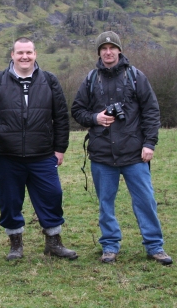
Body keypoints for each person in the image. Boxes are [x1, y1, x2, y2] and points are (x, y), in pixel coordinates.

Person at [71, 31, 172, 265]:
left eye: (112, 48)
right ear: (99, 52)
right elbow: (77, 110)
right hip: (102, 155)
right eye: (103, 48)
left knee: (145, 201)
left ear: (119, 50)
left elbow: (151, 111)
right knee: (106, 203)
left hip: (135, 153)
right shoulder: (90, 79)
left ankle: (155, 246)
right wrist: (95, 118)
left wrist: (149, 144)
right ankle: (109, 246)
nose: (108, 52)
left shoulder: (136, 76)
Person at [0, 37, 78, 261]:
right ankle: (15, 244)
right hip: (6, 155)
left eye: (28, 52)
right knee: (9, 202)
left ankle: (54, 243)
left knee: (52, 197)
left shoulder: (50, 80)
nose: (24, 57)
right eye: (20, 53)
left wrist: (60, 148)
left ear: (35, 54)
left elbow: (61, 117)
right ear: (12, 55)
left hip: (43, 154)